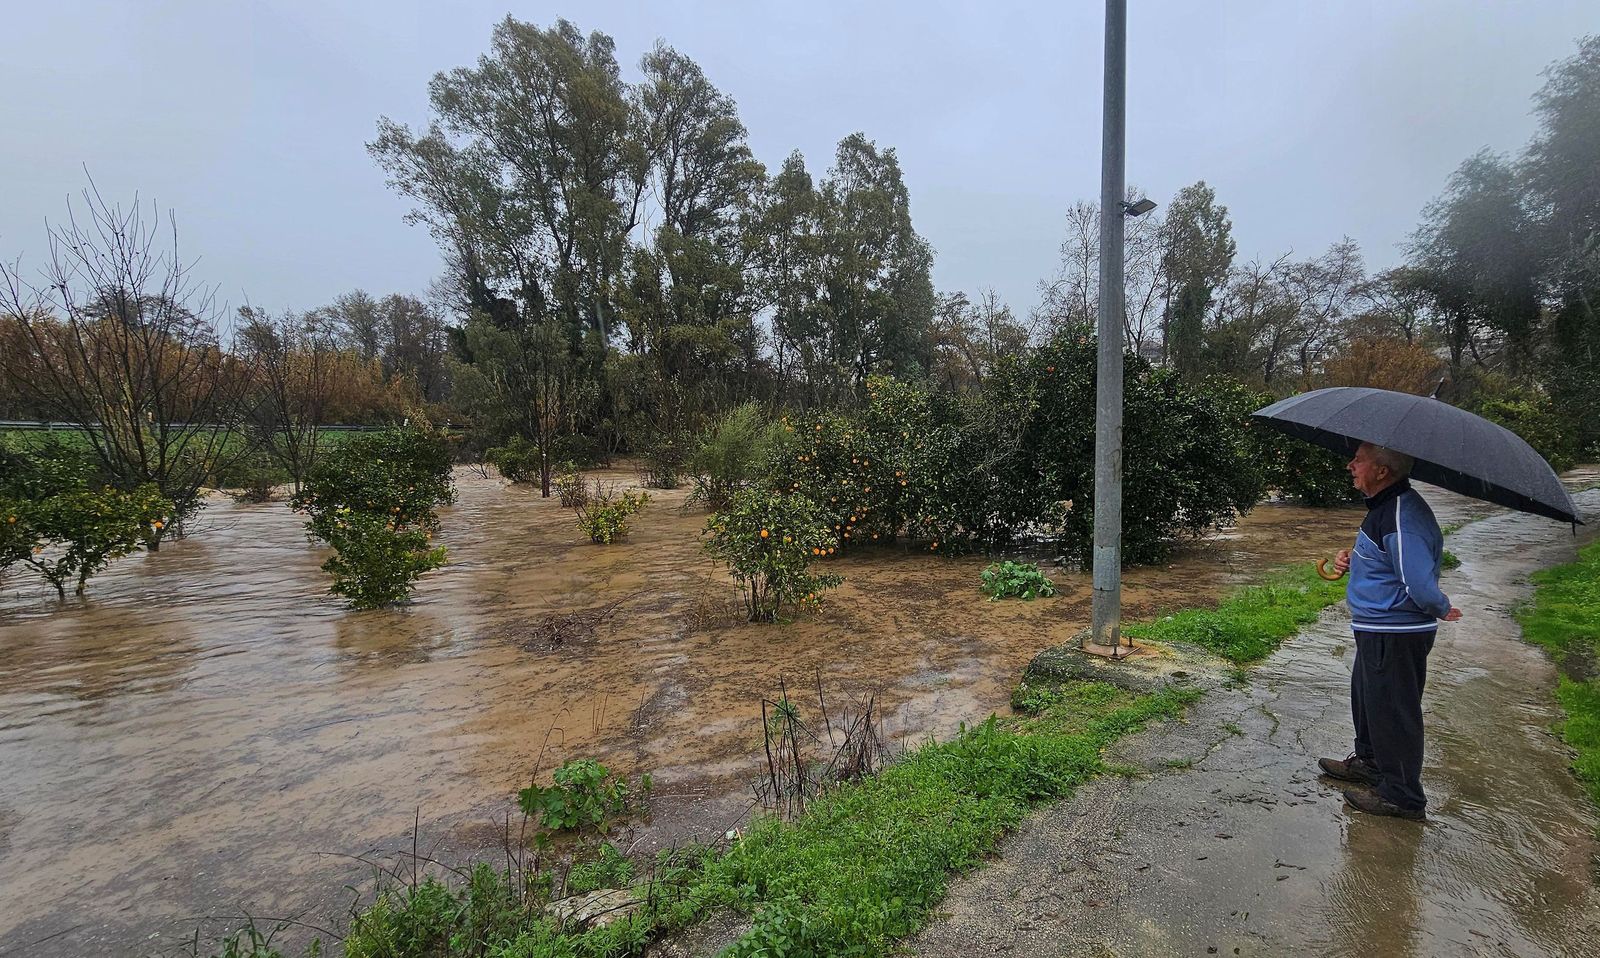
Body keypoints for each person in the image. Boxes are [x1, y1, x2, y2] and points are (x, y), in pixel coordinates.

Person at [1318, 442, 1462, 820]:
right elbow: (1387, 560)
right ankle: (1370, 764)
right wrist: (1353, 561)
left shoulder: (1402, 514)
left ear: (1382, 471)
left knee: (1393, 711)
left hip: (1395, 632)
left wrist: (1441, 607)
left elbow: (1416, 580)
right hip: (1377, 628)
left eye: (1360, 460)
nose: (1351, 464)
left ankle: (1402, 796)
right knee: (1369, 701)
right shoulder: (1385, 508)